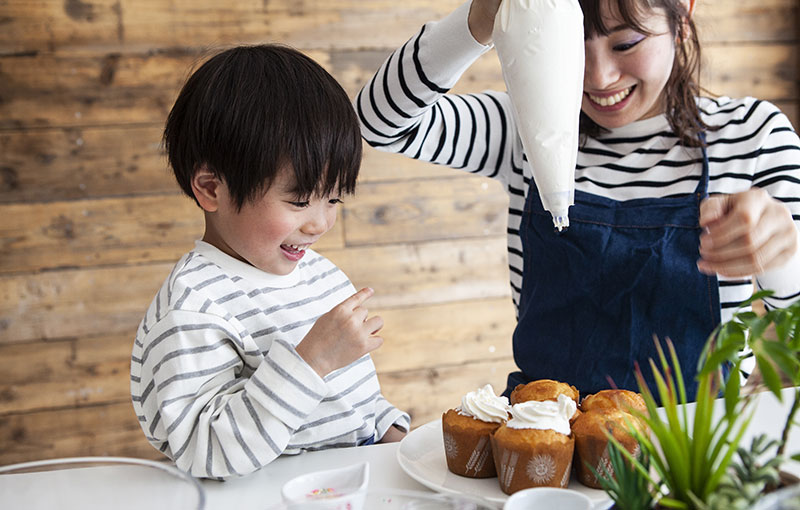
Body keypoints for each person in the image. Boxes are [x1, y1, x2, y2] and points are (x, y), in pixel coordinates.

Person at [356, 0, 800, 398]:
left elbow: (793, 323)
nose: (599, 77)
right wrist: (478, 21)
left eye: (625, 43)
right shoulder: (521, 130)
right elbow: (378, 122)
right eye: (572, 46)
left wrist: (782, 252)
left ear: (682, 15)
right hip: (549, 446)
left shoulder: (751, 137)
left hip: (695, 457)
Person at [131, 44, 409, 480]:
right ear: (211, 188)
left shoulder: (316, 274)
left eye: (333, 198)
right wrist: (311, 361)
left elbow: (345, 403)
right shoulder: (194, 309)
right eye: (299, 200)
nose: (320, 223)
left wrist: (392, 433)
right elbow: (209, 452)